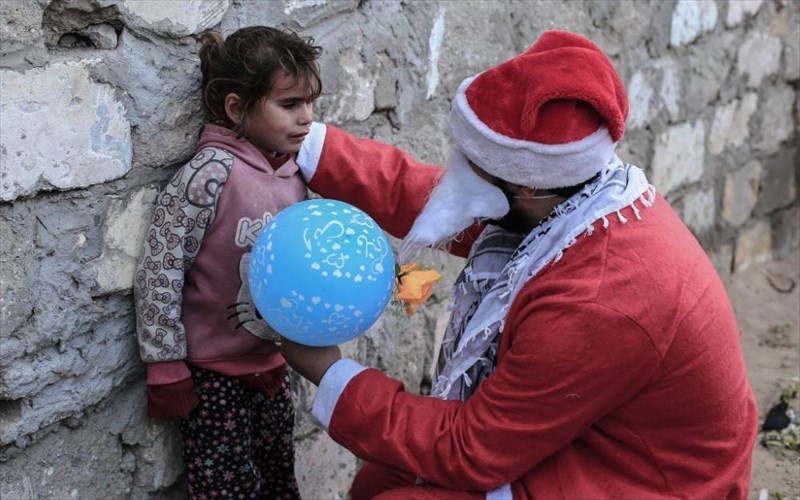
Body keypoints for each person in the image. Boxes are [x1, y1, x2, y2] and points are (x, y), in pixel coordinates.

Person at [280, 30, 758, 499]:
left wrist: (333, 376)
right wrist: (307, 143)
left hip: (641, 481)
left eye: (473, 165)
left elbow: (470, 449)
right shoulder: (570, 198)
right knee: (381, 477)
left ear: (525, 188)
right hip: (597, 438)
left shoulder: (595, 296)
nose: (458, 171)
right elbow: (429, 200)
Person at [133, 25, 322, 499]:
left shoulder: (296, 173)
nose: (308, 118)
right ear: (237, 107)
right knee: (226, 490)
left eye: (311, 103)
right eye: (290, 104)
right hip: (211, 377)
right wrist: (165, 365)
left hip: (272, 365)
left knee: (280, 478)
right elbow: (160, 268)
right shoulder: (209, 176)